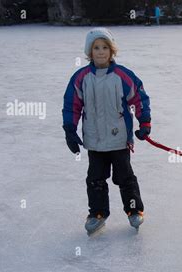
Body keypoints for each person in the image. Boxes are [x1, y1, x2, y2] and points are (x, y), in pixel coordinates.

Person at [62, 27, 151, 236]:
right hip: (94, 141)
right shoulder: (81, 77)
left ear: (112, 51)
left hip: (119, 139)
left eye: (104, 47)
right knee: (95, 178)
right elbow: (71, 105)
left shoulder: (122, 75)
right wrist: (69, 129)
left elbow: (139, 98)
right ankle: (97, 213)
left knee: (125, 177)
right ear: (89, 52)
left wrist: (144, 122)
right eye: (96, 48)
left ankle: (133, 209)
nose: (100, 52)